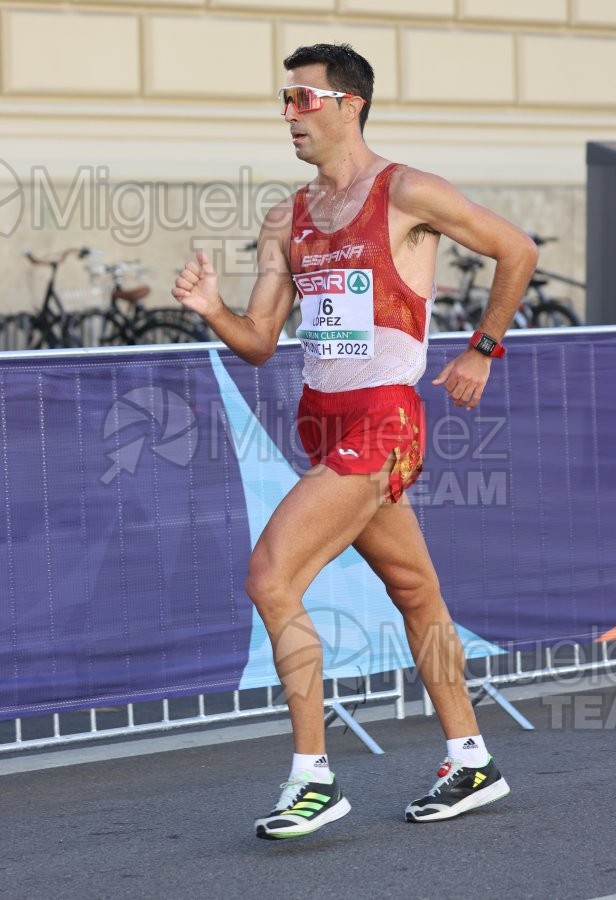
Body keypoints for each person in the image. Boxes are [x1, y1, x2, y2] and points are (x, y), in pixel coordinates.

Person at [172, 42, 538, 841]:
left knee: (271, 577)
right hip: (322, 420)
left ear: (350, 105)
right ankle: (471, 758)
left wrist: (483, 348)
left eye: (303, 98)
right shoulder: (286, 218)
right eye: (285, 98)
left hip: (384, 422)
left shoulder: (406, 191)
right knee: (415, 592)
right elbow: (262, 340)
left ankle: (313, 779)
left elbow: (519, 248)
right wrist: (212, 309)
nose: (289, 114)